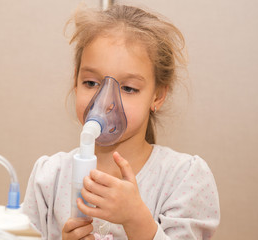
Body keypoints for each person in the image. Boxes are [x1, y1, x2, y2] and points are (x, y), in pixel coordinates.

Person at [22, 4, 220, 240]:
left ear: (157, 96)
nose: (105, 103)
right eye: (91, 83)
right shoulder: (50, 178)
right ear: (75, 80)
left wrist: (137, 220)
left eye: (128, 88)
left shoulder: (184, 179)